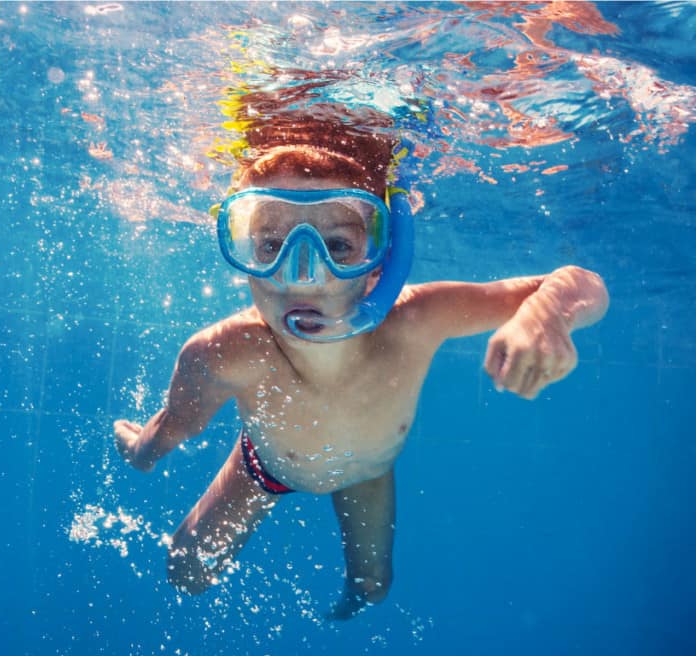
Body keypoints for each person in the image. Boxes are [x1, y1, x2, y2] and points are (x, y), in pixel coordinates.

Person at [112, 107, 609, 620]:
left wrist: (549, 312)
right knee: (185, 574)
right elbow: (177, 424)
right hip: (266, 467)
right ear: (243, 256)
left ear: (382, 261)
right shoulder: (224, 351)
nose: (303, 275)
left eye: (337, 246)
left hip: (368, 471)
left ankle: (348, 607)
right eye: (271, 245)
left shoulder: (415, 318)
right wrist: (144, 452)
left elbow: (579, 281)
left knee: (372, 588)